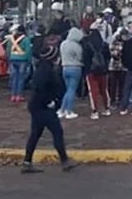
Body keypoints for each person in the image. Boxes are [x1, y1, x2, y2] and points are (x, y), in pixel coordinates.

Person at [21, 45, 78, 174]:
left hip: (37, 106)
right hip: (43, 107)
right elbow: (40, 87)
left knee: (35, 134)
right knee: (57, 132)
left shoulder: (43, 67)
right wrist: (50, 101)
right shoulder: (45, 70)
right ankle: (65, 161)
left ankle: (27, 162)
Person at [83, 27, 111, 120]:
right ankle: (107, 109)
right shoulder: (104, 45)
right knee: (104, 90)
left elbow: (85, 59)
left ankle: (95, 111)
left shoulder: (87, 45)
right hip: (103, 71)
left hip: (91, 71)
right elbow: (108, 57)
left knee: (93, 91)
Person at [58, 27, 84, 119]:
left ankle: (62, 110)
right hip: (75, 68)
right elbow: (80, 57)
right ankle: (69, 111)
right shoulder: (77, 46)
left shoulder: (63, 43)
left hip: (64, 67)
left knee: (68, 90)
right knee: (72, 90)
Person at [6, 25, 33, 103]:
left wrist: (9, 59)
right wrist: (29, 60)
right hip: (23, 59)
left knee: (14, 78)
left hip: (12, 59)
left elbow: (8, 50)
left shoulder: (11, 39)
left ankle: (13, 95)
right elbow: (28, 50)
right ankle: (19, 95)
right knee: (21, 78)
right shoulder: (26, 39)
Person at [108, 28, 129, 108]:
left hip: (122, 66)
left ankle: (120, 99)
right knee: (113, 85)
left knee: (122, 84)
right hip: (114, 66)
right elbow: (114, 53)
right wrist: (122, 54)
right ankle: (112, 100)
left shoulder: (126, 43)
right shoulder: (114, 42)